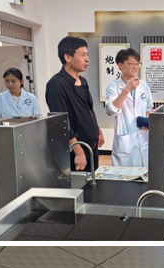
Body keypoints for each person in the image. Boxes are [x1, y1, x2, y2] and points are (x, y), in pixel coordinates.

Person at [45, 36, 104, 172]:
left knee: (94, 180)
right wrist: (78, 151)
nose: (87, 59)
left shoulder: (83, 81)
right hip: (75, 150)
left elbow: (88, 109)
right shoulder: (56, 84)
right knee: (80, 183)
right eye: (82, 55)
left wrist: (97, 130)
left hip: (91, 147)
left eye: (87, 55)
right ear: (68, 57)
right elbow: (61, 122)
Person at [104, 48, 153, 167]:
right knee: (125, 176)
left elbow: (148, 108)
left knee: (145, 174)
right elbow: (111, 110)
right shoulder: (113, 87)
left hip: (143, 139)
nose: (135, 67)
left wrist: (147, 121)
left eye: (137, 63)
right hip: (125, 142)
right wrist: (126, 90)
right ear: (120, 65)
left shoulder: (144, 86)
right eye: (131, 63)